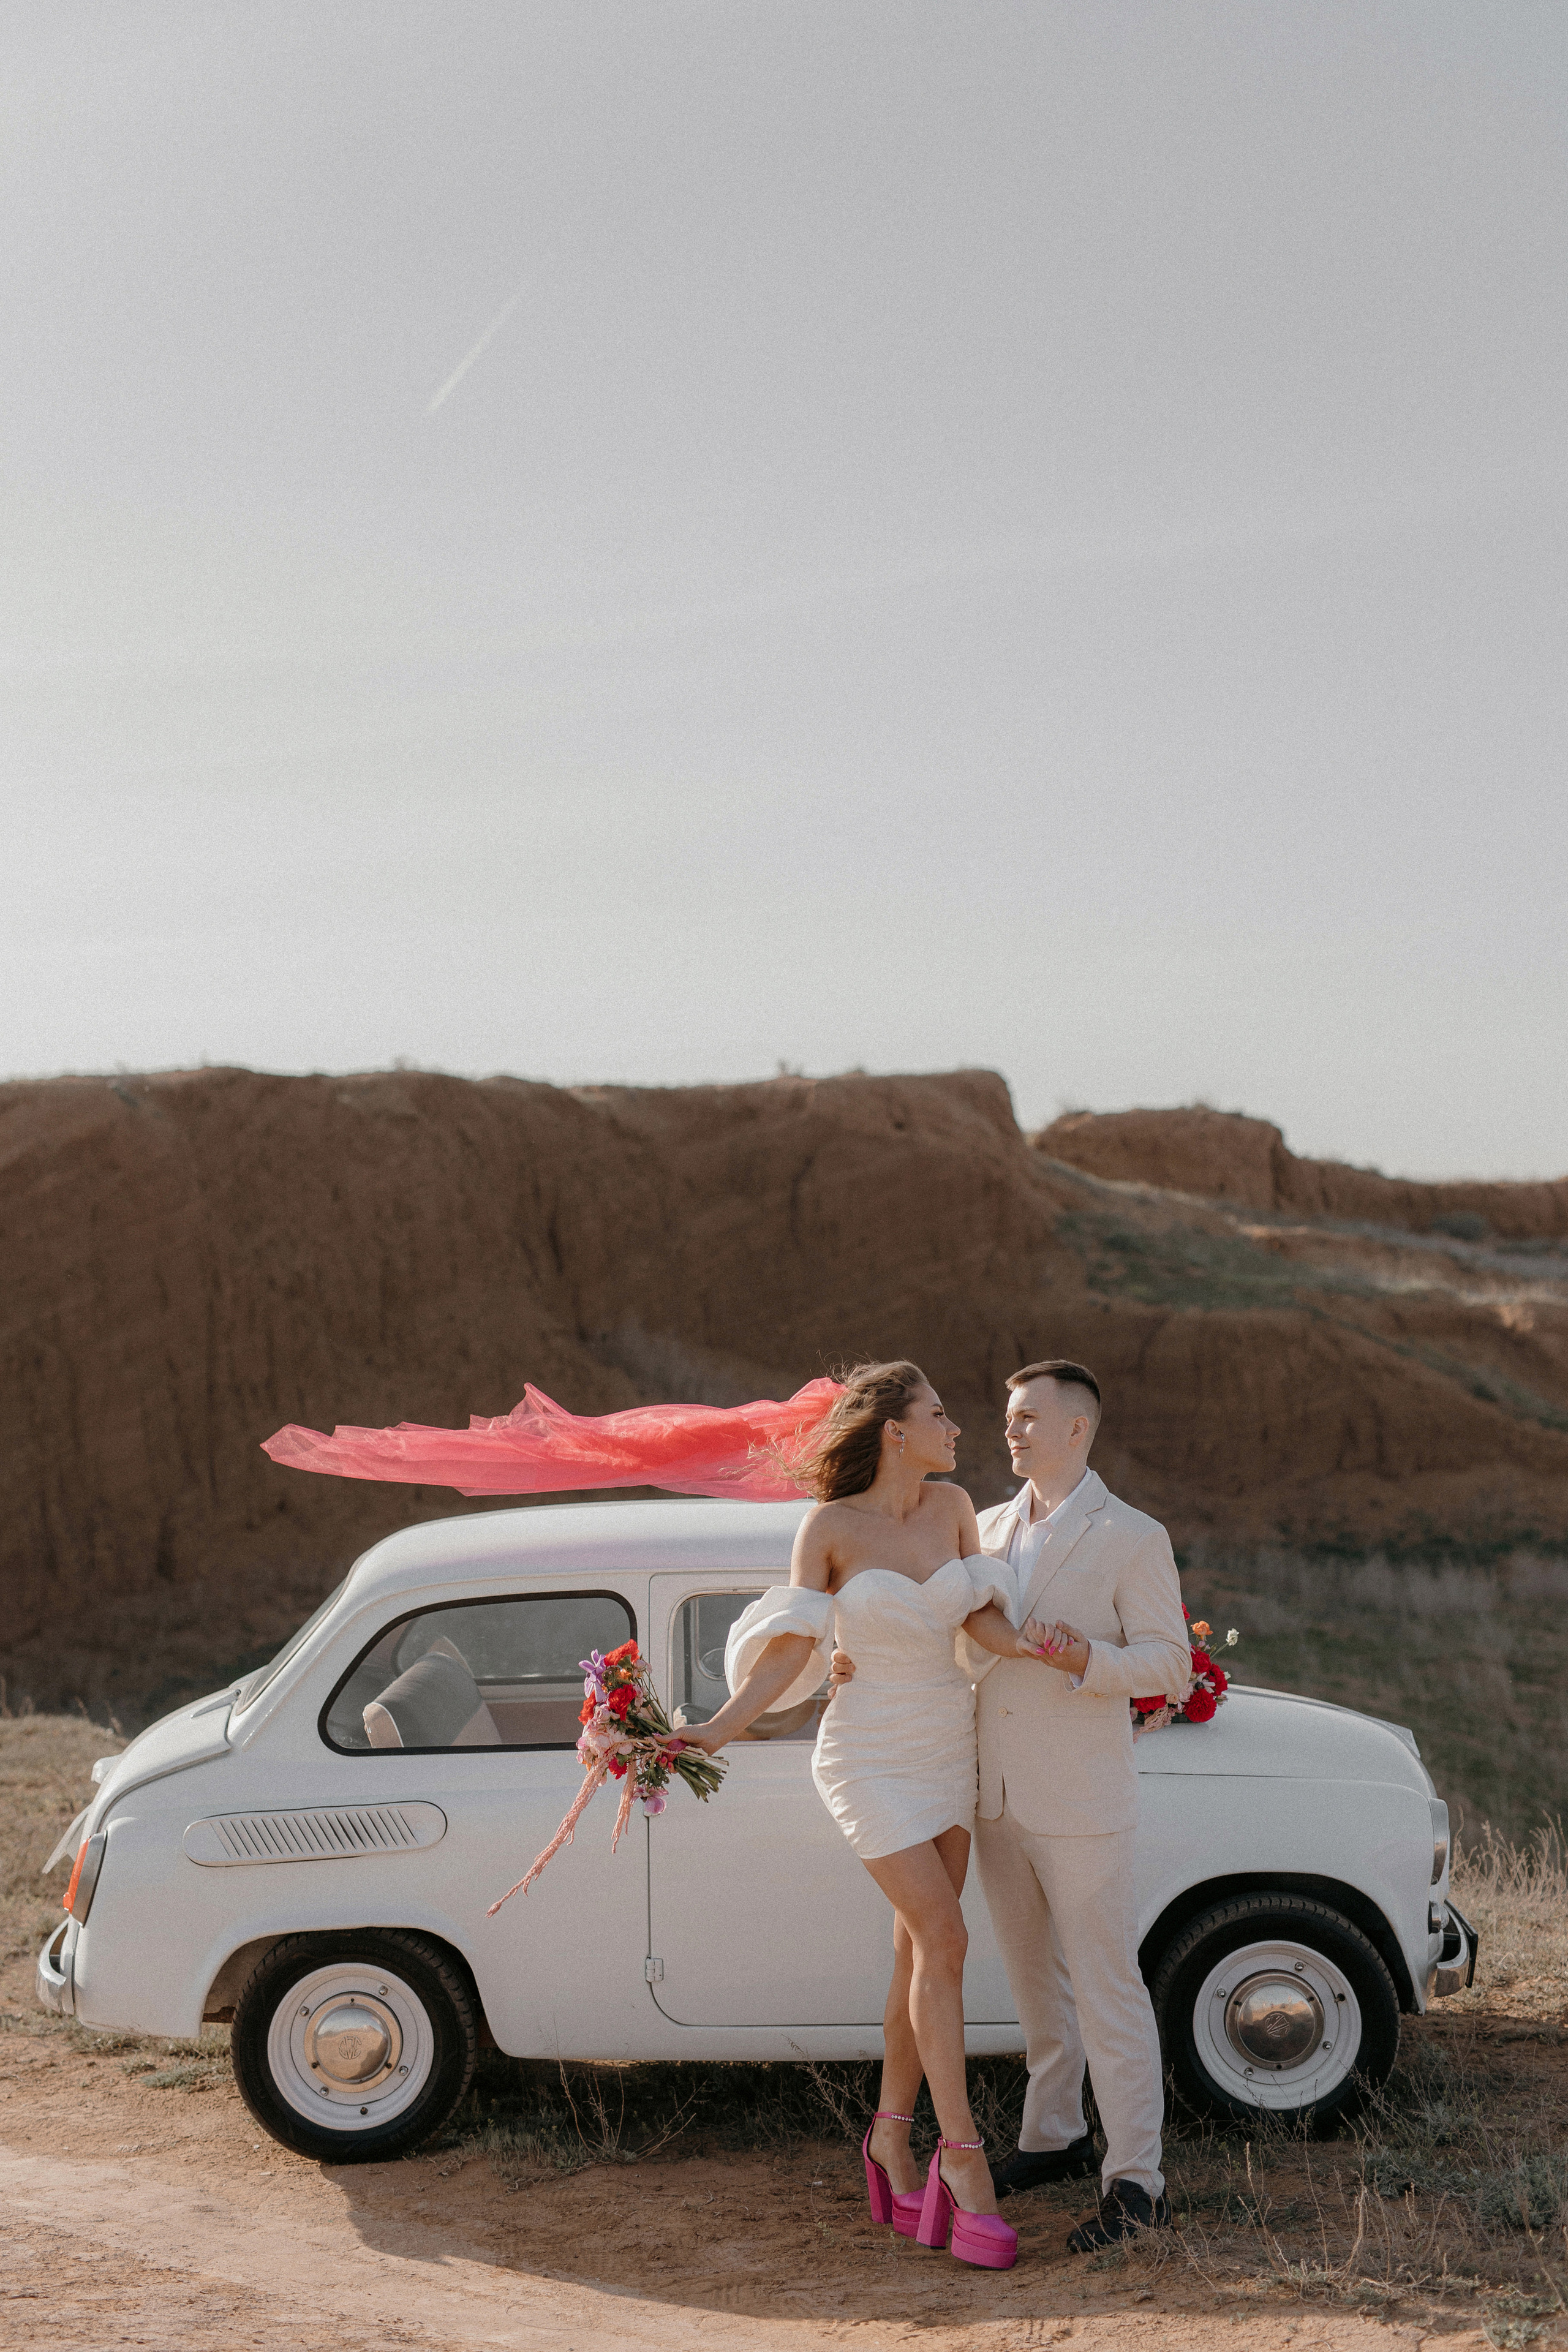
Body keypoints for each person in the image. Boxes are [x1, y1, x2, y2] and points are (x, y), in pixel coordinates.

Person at [679, 1359, 1059, 2272]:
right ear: (895, 1428)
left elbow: (980, 1623)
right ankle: (961, 2159)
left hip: (945, 1749)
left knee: (917, 1954)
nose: (956, 1429)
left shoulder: (957, 1507)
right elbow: (793, 1649)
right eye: (938, 1413)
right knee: (948, 1939)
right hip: (866, 1757)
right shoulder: (829, 1529)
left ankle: (890, 2139)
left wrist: (1042, 1649)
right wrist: (722, 1728)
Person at [831, 1359, 1191, 2252]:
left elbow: (1169, 1663)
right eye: (1008, 1417)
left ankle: (1137, 2182)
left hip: (1082, 1800)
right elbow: (951, 1643)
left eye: (1030, 1417)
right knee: (1038, 1991)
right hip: (989, 1795)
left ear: (1080, 1428)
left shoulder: (1133, 1536)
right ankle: (1053, 2135)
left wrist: (1085, 1662)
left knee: (1108, 1991)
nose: (1012, 1430)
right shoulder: (981, 1523)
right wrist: (850, 1662)